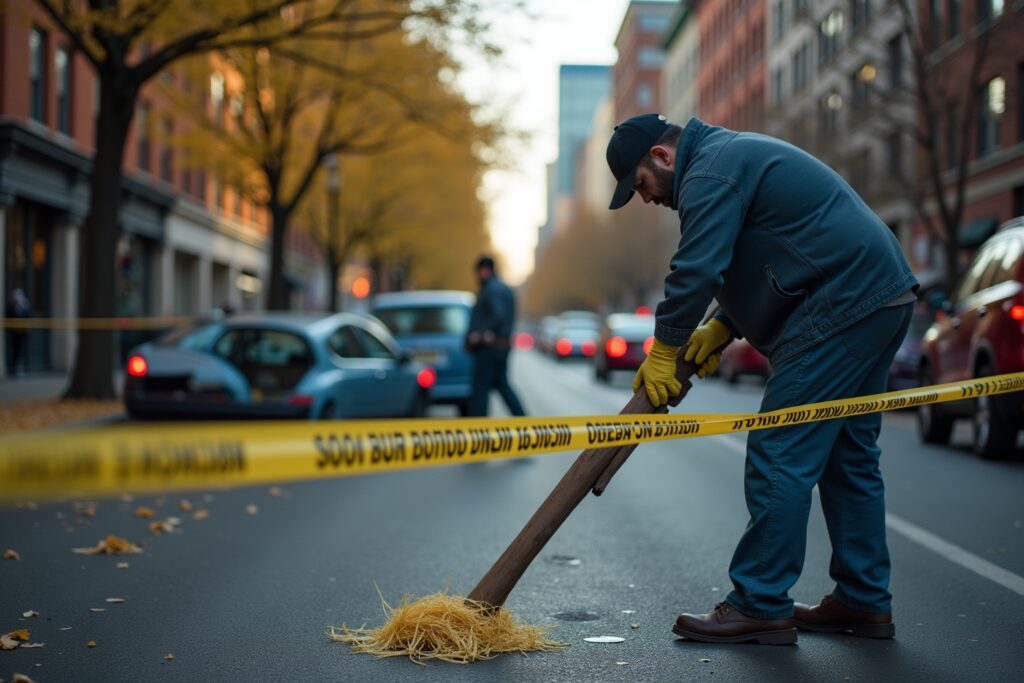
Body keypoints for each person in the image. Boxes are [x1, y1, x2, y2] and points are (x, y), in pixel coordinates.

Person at [607, 114, 917, 645]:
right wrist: (723, 325)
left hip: (842, 304)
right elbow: (770, 248)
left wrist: (664, 350)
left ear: (660, 156)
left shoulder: (709, 173)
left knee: (780, 449)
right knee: (848, 456)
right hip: (880, 294)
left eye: (639, 185)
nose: (646, 199)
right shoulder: (727, 159)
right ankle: (862, 601)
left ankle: (759, 601)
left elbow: (698, 267)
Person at [466, 256, 527, 418]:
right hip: (502, 346)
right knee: (502, 384)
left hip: (488, 348)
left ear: (484, 270)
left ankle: (479, 430)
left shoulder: (490, 290)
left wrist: (480, 333)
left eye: (478, 272)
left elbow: (497, 314)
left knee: (480, 389)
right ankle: (523, 420)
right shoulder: (505, 289)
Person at [5, 288, 31, 377]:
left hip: (22, 334)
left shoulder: (24, 307)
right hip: (13, 334)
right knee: (13, 351)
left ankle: (23, 368)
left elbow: (28, 317)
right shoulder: (10, 307)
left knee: (21, 351)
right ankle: (12, 369)